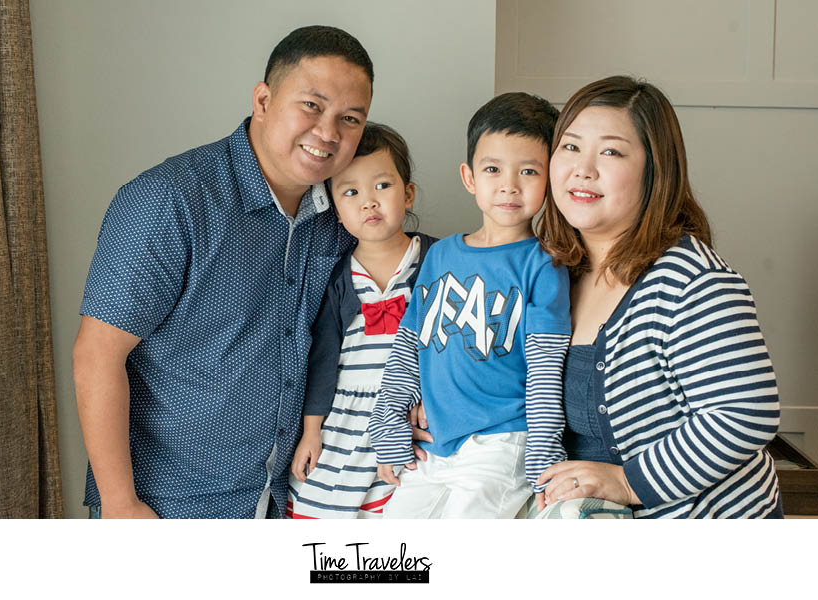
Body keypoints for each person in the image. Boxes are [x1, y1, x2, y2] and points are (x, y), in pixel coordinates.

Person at [72, 26, 374, 519]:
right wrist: (121, 505)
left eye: (350, 118)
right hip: (167, 508)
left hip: (282, 503)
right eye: (311, 106)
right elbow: (96, 356)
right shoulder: (170, 200)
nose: (328, 133)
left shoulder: (345, 214)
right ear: (263, 100)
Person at [535, 75, 782, 518]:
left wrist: (627, 481)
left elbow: (745, 412)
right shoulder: (553, 272)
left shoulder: (692, 280)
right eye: (570, 146)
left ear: (655, 171)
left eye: (611, 152)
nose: (583, 168)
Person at [367, 93, 571, 518]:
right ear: (469, 177)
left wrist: (544, 458)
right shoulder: (440, 256)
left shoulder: (544, 265)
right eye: (493, 169)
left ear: (550, 179)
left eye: (529, 171)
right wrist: (387, 420)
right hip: (436, 443)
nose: (509, 185)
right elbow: (410, 345)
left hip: (503, 441)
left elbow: (545, 371)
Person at [285, 123, 437, 518]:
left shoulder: (438, 261)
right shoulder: (338, 276)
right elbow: (322, 359)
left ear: (408, 193)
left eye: (382, 186)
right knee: (323, 506)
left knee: (406, 505)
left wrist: (431, 396)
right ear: (336, 210)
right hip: (346, 415)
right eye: (351, 192)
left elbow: (452, 342)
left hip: (409, 410)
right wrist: (311, 431)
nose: (369, 202)